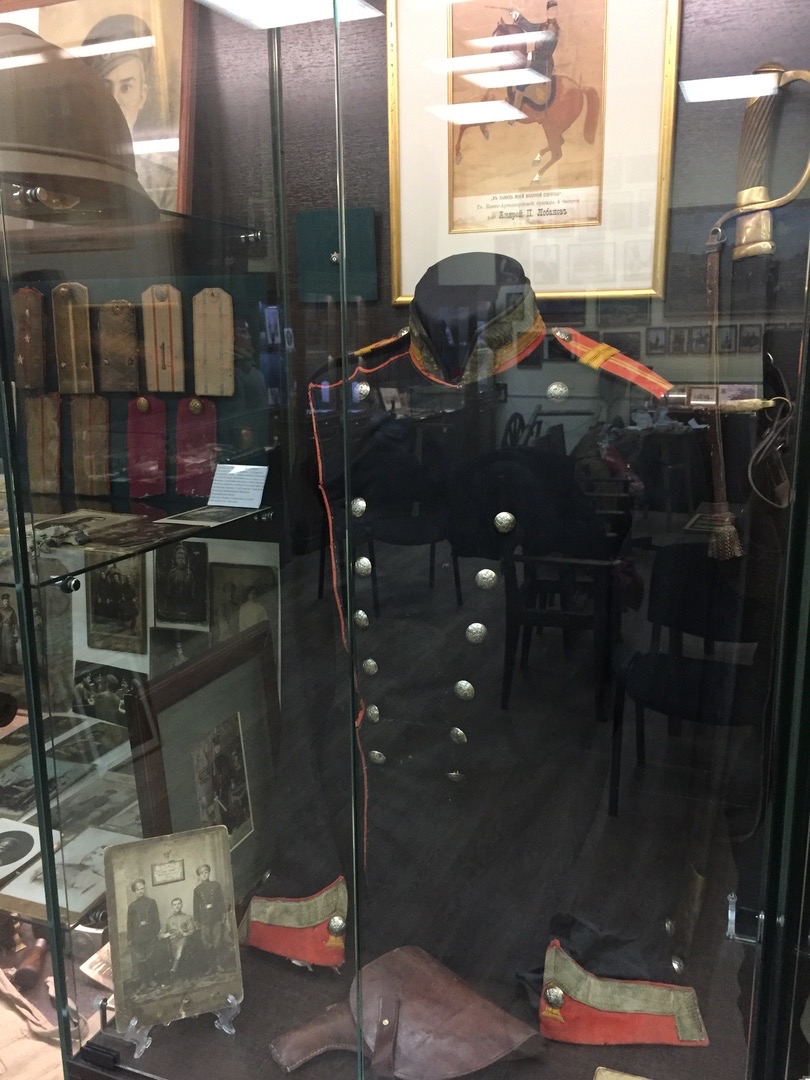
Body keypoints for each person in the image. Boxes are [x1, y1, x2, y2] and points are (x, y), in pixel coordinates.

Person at [81, 15, 178, 210]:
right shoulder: (72, 167)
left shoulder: (167, 177)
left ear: (142, 96)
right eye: (105, 87)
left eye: (125, 88)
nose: (114, 101)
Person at [127, 878, 161, 989]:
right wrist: (130, 938)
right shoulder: (132, 906)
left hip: (149, 935)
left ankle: (151, 980)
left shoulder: (151, 902)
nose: (140, 891)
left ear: (144, 889)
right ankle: (143, 982)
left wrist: (154, 933)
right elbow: (129, 924)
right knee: (141, 960)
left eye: (142, 888)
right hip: (137, 937)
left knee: (150, 958)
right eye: (138, 889)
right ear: (135, 891)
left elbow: (156, 920)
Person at [193, 864, 226, 973]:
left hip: (216, 916)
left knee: (218, 941)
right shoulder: (197, 889)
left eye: (206, 872)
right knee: (206, 942)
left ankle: (219, 965)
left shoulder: (216, 885)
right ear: (199, 876)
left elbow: (221, 900)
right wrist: (196, 920)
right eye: (201, 873)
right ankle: (211, 966)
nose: (204, 875)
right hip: (204, 918)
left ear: (209, 873)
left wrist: (223, 914)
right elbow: (195, 906)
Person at [159, 897, 195, 976]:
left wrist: (186, 934)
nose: (177, 906)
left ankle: (175, 966)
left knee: (183, 941)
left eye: (179, 904)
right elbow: (161, 934)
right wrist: (166, 935)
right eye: (175, 905)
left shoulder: (187, 917)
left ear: (182, 905)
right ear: (172, 907)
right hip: (173, 942)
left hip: (185, 940)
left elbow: (192, 930)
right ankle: (176, 964)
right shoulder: (168, 919)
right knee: (180, 945)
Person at [0, 594, 18, 673]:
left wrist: (16, 634)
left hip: (10, 632)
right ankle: (3, 668)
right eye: (5, 601)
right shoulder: (0, 610)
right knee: (3, 650)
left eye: (7, 601)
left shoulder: (12, 611)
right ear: (2, 602)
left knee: (10, 649)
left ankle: (10, 668)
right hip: (2, 633)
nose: (6, 602)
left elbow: (15, 623)